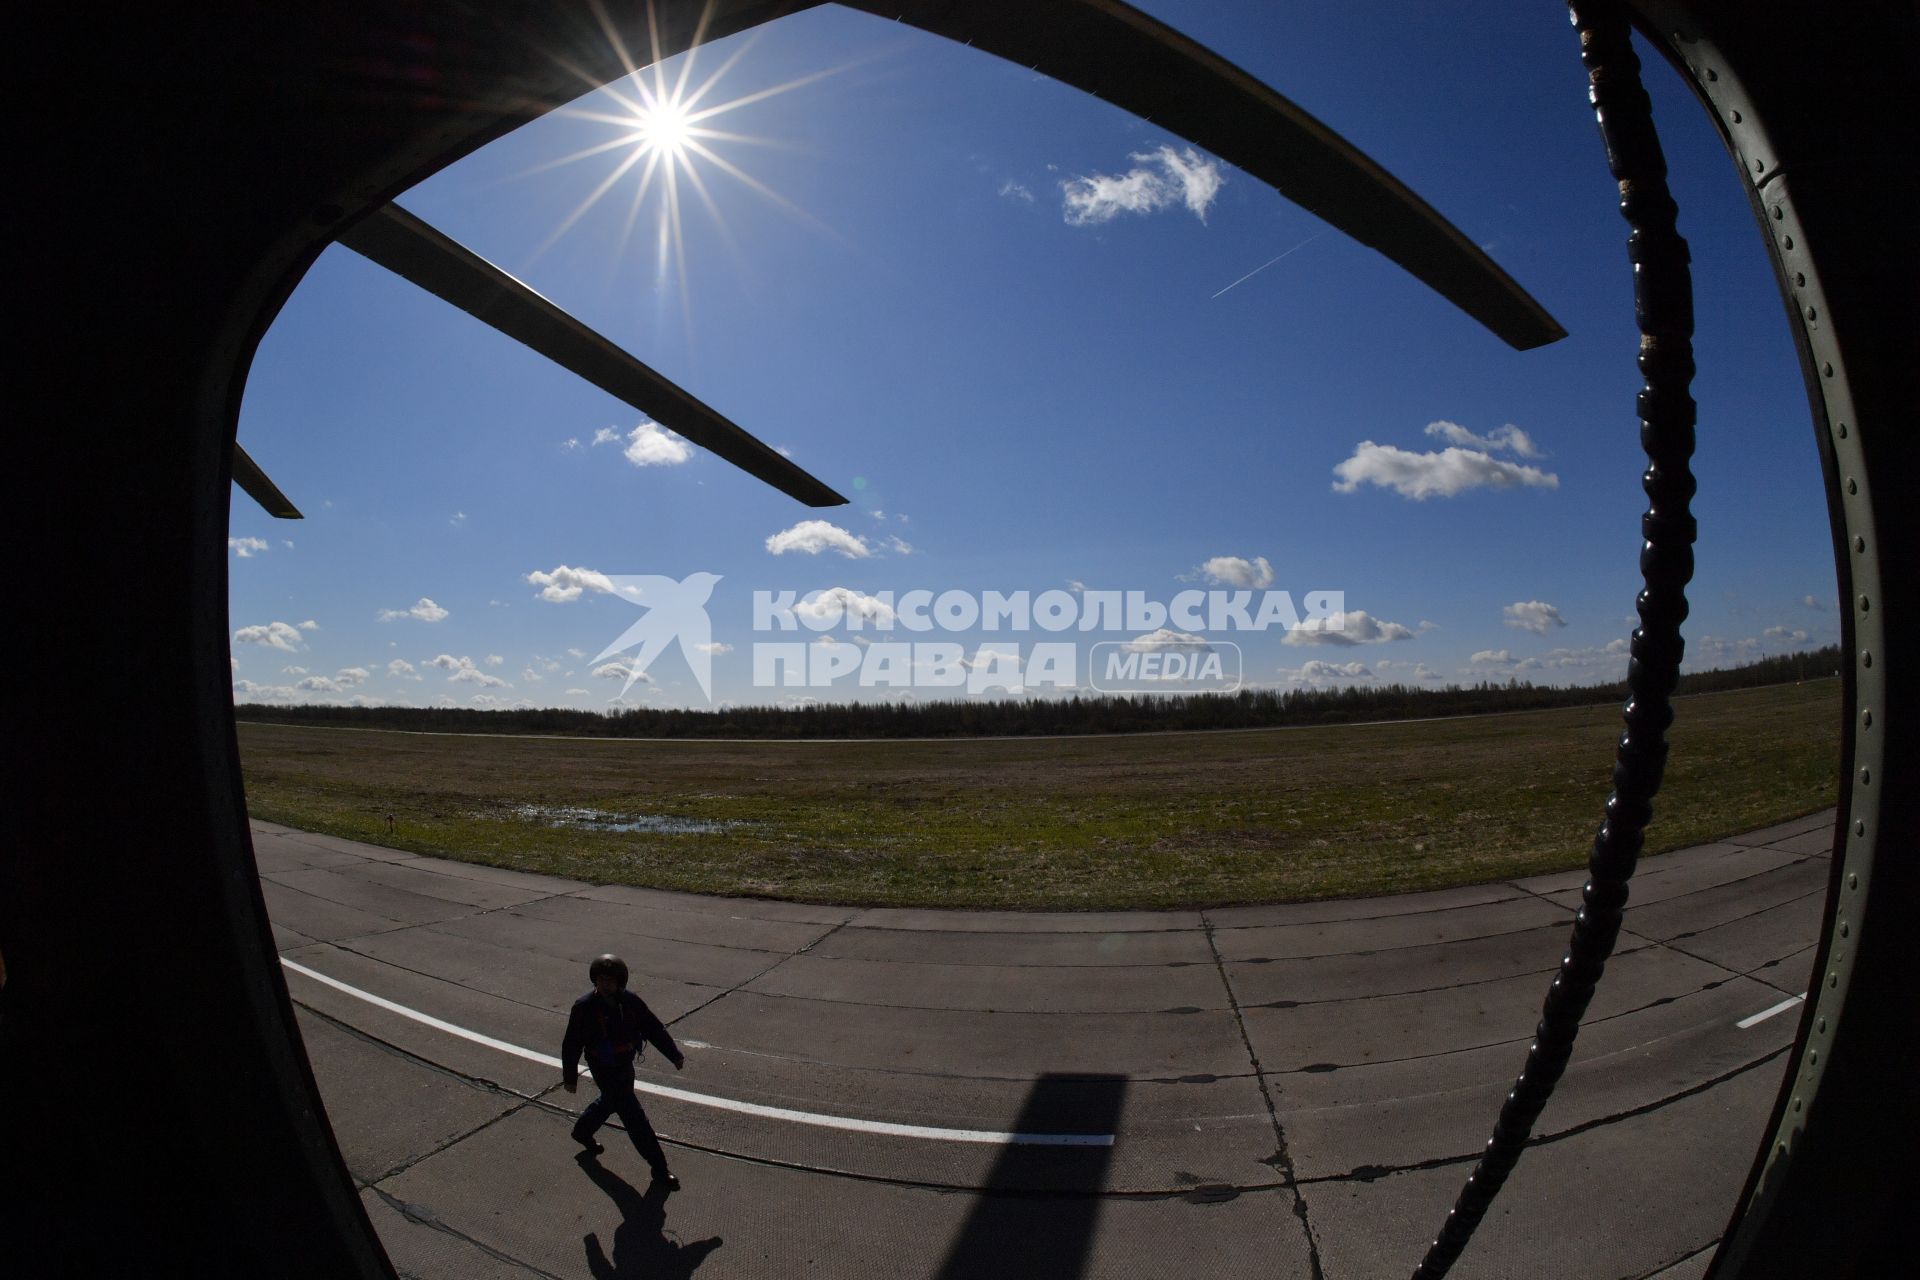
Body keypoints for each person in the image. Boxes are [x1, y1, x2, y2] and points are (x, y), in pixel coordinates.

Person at [561, 954, 686, 1189]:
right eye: (601, 979)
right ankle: (660, 1169)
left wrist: (674, 1054)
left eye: (611, 980)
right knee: (634, 1116)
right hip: (603, 1067)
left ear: (620, 982)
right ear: (594, 980)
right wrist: (570, 1077)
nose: (606, 984)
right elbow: (571, 1043)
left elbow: (652, 1027)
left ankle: (582, 1130)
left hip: (624, 1064)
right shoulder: (584, 1007)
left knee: (610, 1102)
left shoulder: (630, 1002)